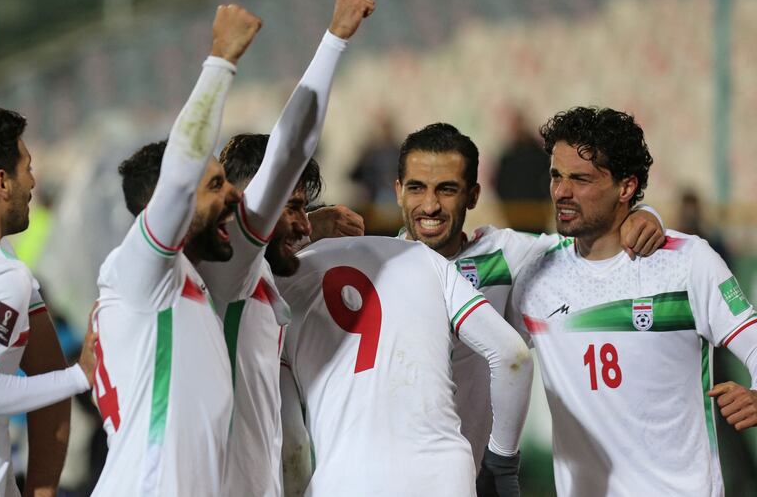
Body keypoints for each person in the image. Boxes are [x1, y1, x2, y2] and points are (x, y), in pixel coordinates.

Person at [393, 122, 665, 483]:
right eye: (416, 188)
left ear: (473, 195)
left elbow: (593, 241)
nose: (430, 205)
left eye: (447, 190)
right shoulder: (373, 266)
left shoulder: (504, 256)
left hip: (473, 479)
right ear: (398, 191)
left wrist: (644, 214)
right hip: (390, 474)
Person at [509, 106, 757, 496]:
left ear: (626, 187)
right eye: (556, 176)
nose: (561, 192)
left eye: (581, 179)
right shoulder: (536, 275)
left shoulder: (687, 262)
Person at [199, 0, 375, 497]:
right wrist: (335, 39)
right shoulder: (226, 268)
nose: (303, 222)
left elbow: (291, 445)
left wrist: (309, 225)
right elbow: (288, 150)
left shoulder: (244, 277)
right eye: (291, 206)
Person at [90, 4, 261, 496]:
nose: (232, 195)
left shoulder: (180, 280)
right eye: (214, 185)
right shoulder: (140, 270)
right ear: (160, 205)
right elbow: (180, 173)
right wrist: (221, 59)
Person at [278, 235, 534, 497]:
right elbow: (513, 356)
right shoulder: (423, 256)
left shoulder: (276, 290)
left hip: (347, 480)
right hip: (445, 476)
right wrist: (501, 465)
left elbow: (293, 447)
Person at [0, 105, 97, 496]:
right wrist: (77, 377)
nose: (34, 182)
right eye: (27, 167)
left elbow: (46, 377)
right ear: (1, 183)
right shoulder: (0, 272)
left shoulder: (8, 270)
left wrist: (40, 490)